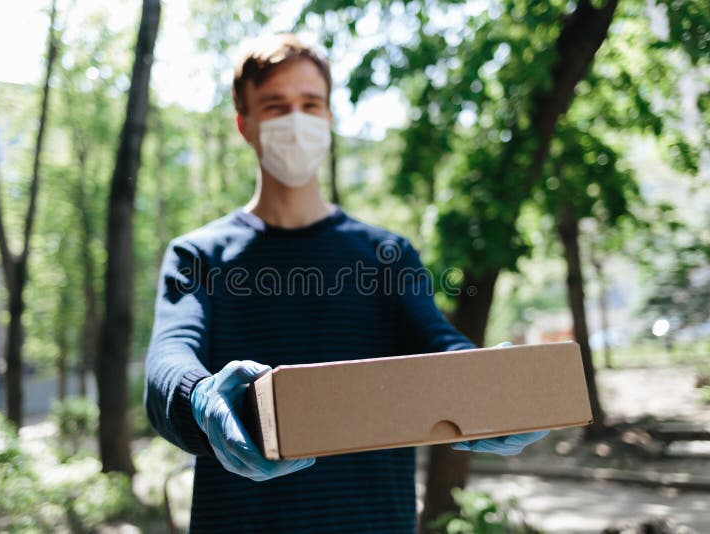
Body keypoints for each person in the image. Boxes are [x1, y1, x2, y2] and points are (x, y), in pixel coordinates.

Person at [144, 33, 546, 533]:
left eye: (310, 104)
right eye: (275, 106)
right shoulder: (199, 255)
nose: (297, 119)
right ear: (245, 125)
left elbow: (437, 342)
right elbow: (168, 360)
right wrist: (199, 397)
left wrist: (486, 385)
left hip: (374, 520)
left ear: (329, 118)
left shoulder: (386, 255)